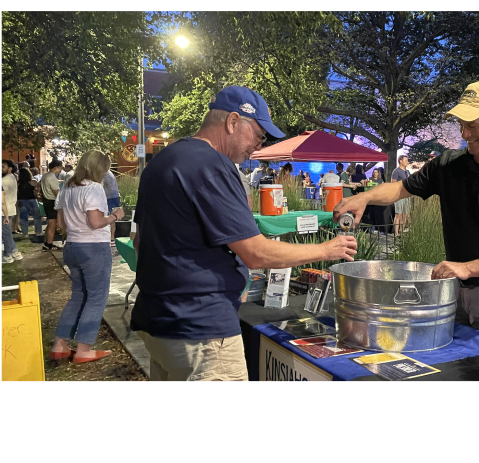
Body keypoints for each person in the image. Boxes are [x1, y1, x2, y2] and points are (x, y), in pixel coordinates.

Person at [131, 86, 357, 382]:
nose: (257, 147)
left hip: (158, 322)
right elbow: (257, 253)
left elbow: (138, 241)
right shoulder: (212, 165)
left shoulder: (162, 161)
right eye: (258, 136)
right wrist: (328, 249)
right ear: (233, 122)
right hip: (202, 330)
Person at [333, 79, 479, 332]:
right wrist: (365, 197)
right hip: (452, 286)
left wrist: (468, 268)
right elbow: (400, 189)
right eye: (461, 125)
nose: (465, 134)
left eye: (472, 125)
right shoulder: (449, 164)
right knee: (452, 366)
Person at [49, 150, 125, 363]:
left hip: (72, 245)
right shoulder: (94, 188)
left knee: (78, 295)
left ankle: (60, 344)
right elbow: (95, 222)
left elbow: (61, 221)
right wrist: (115, 216)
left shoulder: (67, 188)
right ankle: (84, 349)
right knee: (96, 297)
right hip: (93, 247)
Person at [39, 160, 64, 251]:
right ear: (56, 168)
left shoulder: (45, 176)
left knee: (50, 223)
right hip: (52, 201)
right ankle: (49, 244)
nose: (61, 169)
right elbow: (57, 192)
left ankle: (48, 242)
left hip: (46, 200)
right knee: (52, 223)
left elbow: (39, 186)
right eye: (60, 167)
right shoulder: (52, 178)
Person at [1, 161, 22, 263]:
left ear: (10, 168)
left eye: (3, 166)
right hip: (10, 209)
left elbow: (1, 198)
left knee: (5, 234)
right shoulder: (12, 177)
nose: (0, 168)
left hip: (4, 211)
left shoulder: (4, 180)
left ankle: (8, 255)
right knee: (7, 233)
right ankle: (15, 252)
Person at [17, 167, 43, 240]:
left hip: (21, 201)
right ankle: (38, 231)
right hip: (32, 200)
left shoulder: (18, 183)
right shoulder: (32, 181)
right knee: (37, 217)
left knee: (23, 218)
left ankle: (25, 232)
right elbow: (37, 188)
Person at [391, 155, 411, 235]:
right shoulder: (396, 171)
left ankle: (402, 231)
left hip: (407, 195)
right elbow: (393, 183)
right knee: (398, 214)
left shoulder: (407, 172)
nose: (407, 162)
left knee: (406, 214)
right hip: (399, 195)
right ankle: (396, 233)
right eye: (405, 160)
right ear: (401, 161)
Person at [102, 169, 121, 246]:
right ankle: (111, 238)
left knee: (111, 217)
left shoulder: (105, 173)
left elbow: (100, 184)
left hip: (111, 198)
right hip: (113, 197)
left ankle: (111, 238)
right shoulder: (108, 173)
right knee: (111, 217)